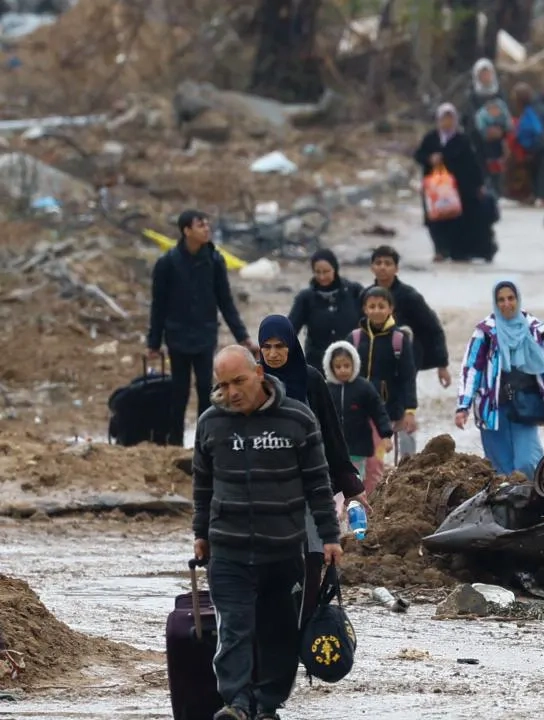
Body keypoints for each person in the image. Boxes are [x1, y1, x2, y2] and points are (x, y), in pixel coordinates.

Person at [192, 345, 342, 720]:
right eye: (223, 385)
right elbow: (202, 484)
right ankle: (237, 703)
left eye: (239, 381)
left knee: (278, 633)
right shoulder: (211, 423)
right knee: (234, 630)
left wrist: (330, 536)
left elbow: (317, 484)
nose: (232, 392)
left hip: (282, 547)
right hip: (229, 549)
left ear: (258, 372)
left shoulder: (297, 418)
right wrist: (200, 533)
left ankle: (268, 704)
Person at [256, 315, 366, 625]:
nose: (274, 353)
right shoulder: (252, 382)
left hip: (309, 485)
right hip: (266, 491)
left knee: (312, 557)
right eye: (267, 347)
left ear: (292, 345)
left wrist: (351, 483)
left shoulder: (311, 380)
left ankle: (303, 626)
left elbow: (331, 434)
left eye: (280, 346)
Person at [147, 209, 255, 446]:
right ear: (186, 231)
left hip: (205, 334)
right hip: (177, 335)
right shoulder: (167, 264)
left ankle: (204, 441)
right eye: (200, 225)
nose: (206, 229)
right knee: (179, 390)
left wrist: (243, 337)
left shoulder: (214, 261)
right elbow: (159, 305)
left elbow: (225, 301)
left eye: (207, 225)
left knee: (207, 388)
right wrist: (153, 342)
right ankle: (174, 441)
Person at [455, 280, 544, 478]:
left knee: (528, 462)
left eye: (511, 298)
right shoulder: (486, 332)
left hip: (526, 407)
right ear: (495, 302)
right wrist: (463, 406)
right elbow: (471, 368)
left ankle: (534, 504)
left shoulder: (534, 329)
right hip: (493, 410)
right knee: (501, 470)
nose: (506, 304)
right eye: (501, 300)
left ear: (518, 299)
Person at [350, 287, 418, 491]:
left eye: (381, 306)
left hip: (385, 412)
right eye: (372, 306)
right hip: (355, 411)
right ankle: (353, 502)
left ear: (391, 308)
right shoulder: (354, 338)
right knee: (353, 460)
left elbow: (408, 377)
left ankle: (373, 507)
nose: (377, 310)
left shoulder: (399, 340)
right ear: (364, 308)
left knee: (376, 462)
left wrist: (410, 411)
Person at [368, 245, 451, 409]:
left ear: (396, 268)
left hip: (406, 358)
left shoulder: (410, 297)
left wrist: (442, 364)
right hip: (375, 358)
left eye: (388, 263)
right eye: (378, 263)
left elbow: (433, 327)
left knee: (401, 401)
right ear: (372, 267)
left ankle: (405, 428)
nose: (382, 267)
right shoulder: (366, 296)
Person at [413, 103, 495, 263]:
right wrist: (430, 159)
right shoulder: (431, 138)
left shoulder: (462, 140)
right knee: (435, 221)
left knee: (457, 221)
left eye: (450, 119)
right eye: (444, 119)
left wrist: (478, 185)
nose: (447, 122)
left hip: (459, 189)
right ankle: (440, 250)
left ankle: (459, 252)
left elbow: (473, 164)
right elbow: (418, 155)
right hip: (435, 190)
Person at [322, 340, 393, 488]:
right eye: (338, 366)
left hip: (358, 448)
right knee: (334, 484)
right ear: (330, 367)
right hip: (332, 449)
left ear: (354, 364)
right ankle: (338, 510)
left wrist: (386, 435)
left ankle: (354, 509)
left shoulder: (364, 388)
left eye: (346, 366)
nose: (343, 370)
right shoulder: (325, 389)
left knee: (355, 483)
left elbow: (378, 411)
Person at [287, 249, 364, 370]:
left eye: (326, 272)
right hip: (317, 363)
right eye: (318, 272)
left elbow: (370, 322)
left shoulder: (354, 291)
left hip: (350, 363)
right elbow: (290, 329)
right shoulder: (305, 298)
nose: (322, 277)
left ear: (335, 269)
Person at [475, 98, 513, 197]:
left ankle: (500, 191)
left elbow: (509, 130)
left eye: (497, 110)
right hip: (485, 150)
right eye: (492, 110)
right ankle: (490, 190)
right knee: (489, 171)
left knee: (499, 171)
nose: (495, 112)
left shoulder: (504, 118)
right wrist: (488, 134)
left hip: (499, 150)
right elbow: (479, 134)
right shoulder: (481, 119)